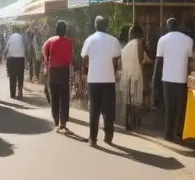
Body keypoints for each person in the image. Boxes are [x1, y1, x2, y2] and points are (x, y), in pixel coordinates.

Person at [81, 16, 122, 147]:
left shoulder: (90, 39)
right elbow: (117, 60)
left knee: (94, 108)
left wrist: (87, 70)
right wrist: (114, 72)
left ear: (95, 25)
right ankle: (108, 137)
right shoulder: (113, 40)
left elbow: (84, 57)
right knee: (109, 109)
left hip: (93, 79)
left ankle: (92, 138)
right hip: (108, 79)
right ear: (106, 26)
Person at [155, 18, 195, 142]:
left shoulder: (162, 40)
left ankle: (168, 133)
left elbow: (159, 61)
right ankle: (179, 132)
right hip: (182, 78)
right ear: (178, 26)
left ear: (167, 27)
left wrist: (154, 80)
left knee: (169, 107)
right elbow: (190, 60)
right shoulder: (188, 40)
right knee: (181, 107)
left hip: (167, 78)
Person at [43, 20, 75, 133]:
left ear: (56, 29)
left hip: (53, 71)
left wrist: (47, 66)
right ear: (65, 30)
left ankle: (56, 118)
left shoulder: (50, 41)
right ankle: (63, 120)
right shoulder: (70, 42)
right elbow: (71, 57)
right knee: (64, 97)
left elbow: (45, 54)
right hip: (64, 71)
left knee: (54, 96)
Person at [118, 24, 149, 131]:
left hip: (126, 76)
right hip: (136, 75)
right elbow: (141, 58)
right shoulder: (139, 42)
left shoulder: (126, 47)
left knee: (128, 100)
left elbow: (120, 63)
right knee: (136, 100)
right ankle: (135, 123)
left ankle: (127, 123)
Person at [5, 26, 26, 99]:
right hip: (21, 58)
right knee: (20, 76)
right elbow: (25, 46)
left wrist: (5, 56)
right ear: (19, 30)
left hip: (12, 59)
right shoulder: (21, 37)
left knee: (12, 77)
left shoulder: (10, 37)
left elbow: (6, 48)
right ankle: (20, 90)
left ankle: (12, 94)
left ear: (13, 31)